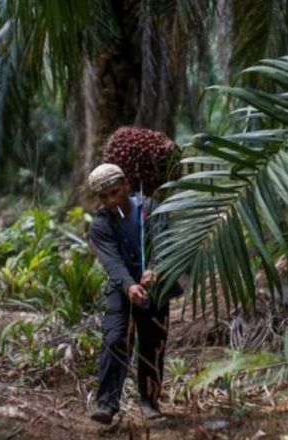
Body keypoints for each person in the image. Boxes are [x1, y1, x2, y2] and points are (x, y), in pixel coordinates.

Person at [86, 163, 181, 424]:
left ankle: (150, 403)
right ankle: (106, 404)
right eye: (103, 197)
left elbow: (163, 242)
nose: (110, 200)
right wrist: (129, 286)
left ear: (126, 185)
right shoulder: (100, 225)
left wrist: (153, 269)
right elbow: (112, 262)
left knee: (152, 343)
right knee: (115, 337)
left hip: (156, 286)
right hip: (122, 288)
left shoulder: (151, 209)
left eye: (114, 193)